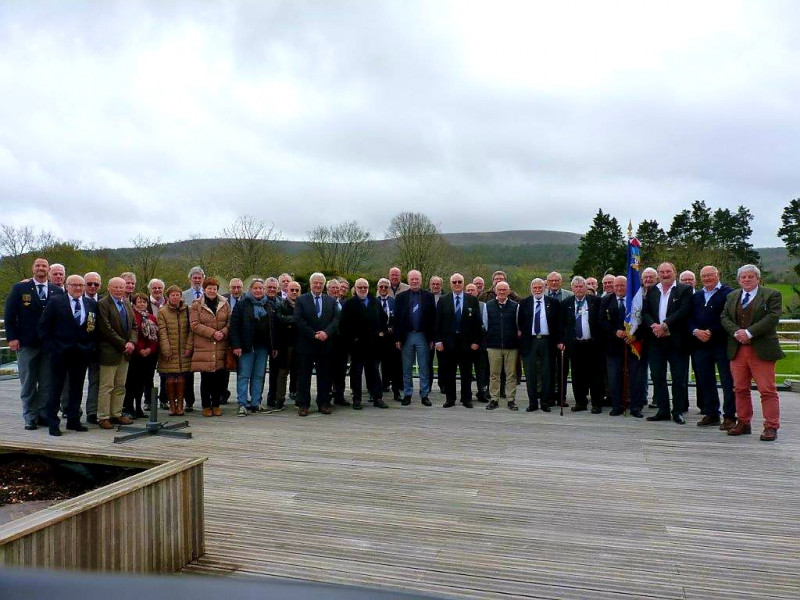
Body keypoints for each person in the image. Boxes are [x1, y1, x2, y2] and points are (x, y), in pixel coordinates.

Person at [721, 265, 784, 441]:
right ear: (739, 280)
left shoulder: (771, 294)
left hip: (761, 349)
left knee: (767, 390)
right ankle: (743, 422)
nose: (747, 280)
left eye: (750, 277)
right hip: (738, 348)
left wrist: (749, 333)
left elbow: (772, 317)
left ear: (758, 278)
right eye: (743, 277)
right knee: (740, 388)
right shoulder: (732, 296)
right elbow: (724, 317)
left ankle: (771, 426)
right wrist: (737, 333)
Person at [4, 257, 64, 430]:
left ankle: (43, 414)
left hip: (49, 345)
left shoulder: (56, 291)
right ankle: (30, 416)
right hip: (26, 343)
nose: (41, 268)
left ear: (49, 270)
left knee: (46, 382)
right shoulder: (20, 288)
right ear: (33, 268)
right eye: (38, 265)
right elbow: (10, 315)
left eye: (44, 265)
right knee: (28, 382)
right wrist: (12, 338)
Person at [37, 274, 97, 435]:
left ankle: (73, 420)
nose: (78, 288)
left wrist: (90, 346)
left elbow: (93, 328)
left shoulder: (90, 303)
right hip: (60, 351)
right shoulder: (56, 302)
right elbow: (43, 327)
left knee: (77, 388)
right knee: (56, 388)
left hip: (81, 352)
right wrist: (52, 347)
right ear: (67, 286)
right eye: (74, 285)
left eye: (81, 285)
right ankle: (53, 423)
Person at [642, 262, 693, 424]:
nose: (665, 274)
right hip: (656, 340)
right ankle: (663, 410)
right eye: (662, 272)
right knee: (657, 377)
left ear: (674, 272)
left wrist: (665, 325)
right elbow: (645, 312)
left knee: (679, 378)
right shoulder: (652, 290)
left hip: (676, 340)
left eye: (668, 271)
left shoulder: (684, 290)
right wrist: (654, 326)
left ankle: (677, 411)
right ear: (658, 274)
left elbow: (684, 311)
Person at [690, 266, 736, 429]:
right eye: (704, 276)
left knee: (727, 381)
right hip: (700, 345)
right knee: (705, 380)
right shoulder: (697, 296)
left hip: (721, 344)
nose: (707, 278)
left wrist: (711, 331)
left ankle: (730, 416)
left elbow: (729, 317)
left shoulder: (729, 293)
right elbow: (689, 318)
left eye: (711, 275)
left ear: (718, 275)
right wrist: (695, 331)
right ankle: (711, 413)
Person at [599, 276, 647, 418]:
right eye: (617, 286)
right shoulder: (606, 300)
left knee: (636, 377)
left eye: (622, 285)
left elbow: (645, 321)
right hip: (613, 345)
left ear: (629, 285)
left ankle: (636, 407)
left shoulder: (638, 300)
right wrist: (615, 331)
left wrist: (635, 335)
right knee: (614, 377)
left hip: (633, 344)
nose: (619, 288)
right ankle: (617, 405)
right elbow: (601, 320)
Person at [294, 273, 340, 416]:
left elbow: (336, 319)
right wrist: (313, 334)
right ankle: (303, 405)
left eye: (321, 283)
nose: (318, 285)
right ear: (310, 284)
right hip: (307, 344)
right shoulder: (301, 300)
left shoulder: (331, 301)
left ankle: (324, 403)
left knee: (324, 376)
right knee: (304, 376)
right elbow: (298, 320)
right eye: (315, 283)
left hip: (325, 344)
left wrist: (326, 333)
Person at [339, 278, 388, 409]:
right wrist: (352, 339)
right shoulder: (349, 304)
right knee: (356, 372)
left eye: (365, 287)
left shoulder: (375, 302)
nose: (362, 289)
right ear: (355, 289)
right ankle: (357, 399)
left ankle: (377, 397)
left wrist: (382, 333)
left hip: (373, 344)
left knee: (374, 372)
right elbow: (343, 325)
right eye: (360, 287)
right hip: (357, 346)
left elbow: (384, 319)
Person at [230, 278, 276, 416]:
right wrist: (236, 345)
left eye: (261, 288)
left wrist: (274, 346)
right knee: (244, 375)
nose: (258, 290)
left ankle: (256, 402)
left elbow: (273, 327)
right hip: (246, 346)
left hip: (263, 347)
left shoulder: (269, 305)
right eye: (255, 288)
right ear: (250, 290)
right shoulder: (242, 304)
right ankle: (242, 404)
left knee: (258, 375)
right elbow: (234, 326)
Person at [435, 273, 482, 408]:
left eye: (459, 282)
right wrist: (438, 341)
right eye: (454, 282)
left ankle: (466, 399)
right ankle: (450, 399)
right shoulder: (443, 300)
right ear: (450, 284)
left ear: (463, 283)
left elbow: (477, 323)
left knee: (466, 372)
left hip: (466, 343)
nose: (457, 284)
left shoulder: (472, 300)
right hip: (448, 343)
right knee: (449, 372)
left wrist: (476, 341)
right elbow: (438, 323)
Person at [559, 276, 605, 413]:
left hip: (592, 344)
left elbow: (601, 322)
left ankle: (597, 403)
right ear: (572, 288)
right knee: (577, 375)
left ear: (586, 288)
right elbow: (561, 325)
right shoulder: (566, 303)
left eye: (581, 286)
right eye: (576, 287)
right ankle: (581, 402)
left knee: (596, 375)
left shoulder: (596, 302)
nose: (579, 289)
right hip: (575, 345)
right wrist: (561, 341)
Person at [96, 277, 136, 429]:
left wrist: (132, 342)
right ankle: (104, 417)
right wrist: (123, 343)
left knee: (120, 385)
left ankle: (116, 413)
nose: (119, 290)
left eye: (122, 287)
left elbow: (134, 325)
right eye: (116, 287)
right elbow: (106, 328)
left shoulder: (126, 303)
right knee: (107, 386)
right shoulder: (103, 304)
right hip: (109, 351)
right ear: (109, 287)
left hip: (125, 352)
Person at [189, 277, 231, 418]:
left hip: (220, 345)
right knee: (206, 378)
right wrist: (213, 333)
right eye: (209, 288)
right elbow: (194, 325)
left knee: (219, 377)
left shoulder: (224, 304)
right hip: (204, 346)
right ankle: (206, 405)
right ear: (204, 289)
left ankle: (217, 404)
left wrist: (223, 332)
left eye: (214, 288)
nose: (212, 291)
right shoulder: (196, 305)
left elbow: (230, 322)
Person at [393, 270, 436, 406]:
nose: (414, 281)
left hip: (423, 335)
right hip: (407, 336)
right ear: (408, 280)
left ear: (421, 280)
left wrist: (432, 339)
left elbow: (433, 318)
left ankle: (424, 395)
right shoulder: (401, 297)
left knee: (424, 367)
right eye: (412, 279)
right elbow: (397, 320)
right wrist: (397, 338)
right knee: (406, 368)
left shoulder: (428, 296)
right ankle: (407, 394)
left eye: (417, 279)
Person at [518, 278, 561, 412]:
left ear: (544, 288)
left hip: (547, 341)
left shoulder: (553, 303)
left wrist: (559, 341)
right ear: (531, 289)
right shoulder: (524, 303)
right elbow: (520, 322)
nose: (537, 290)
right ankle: (532, 402)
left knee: (546, 372)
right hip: (530, 341)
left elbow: (558, 325)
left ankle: (545, 402)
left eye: (540, 288)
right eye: (535, 288)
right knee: (530, 373)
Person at [484, 281, 520, 411]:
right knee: (494, 374)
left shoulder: (516, 306)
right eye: (499, 290)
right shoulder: (487, 306)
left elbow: (518, 325)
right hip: (493, 345)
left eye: (504, 290)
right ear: (495, 291)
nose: (502, 292)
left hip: (511, 346)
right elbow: (485, 325)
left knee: (511, 374)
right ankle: (494, 399)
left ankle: (511, 400)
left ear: (509, 291)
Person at [157, 285, 192, 416]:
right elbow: (162, 331)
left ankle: (180, 404)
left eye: (178, 295)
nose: (175, 297)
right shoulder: (162, 312)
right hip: (169, 350)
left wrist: (189, 346)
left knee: (182, 378)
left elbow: (191, 330)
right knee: (170, 378)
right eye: (173, 295)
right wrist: (166, 349)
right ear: (168, 297)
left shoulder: (187, 310)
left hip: (183, 349)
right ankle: (172, 404)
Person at [122, 293, 159, 419]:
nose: (142, 304)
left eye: (144, 302)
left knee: (142, 383)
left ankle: (138, 407)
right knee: (131, 383)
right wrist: (140, 349)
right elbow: (131, 334)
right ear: (134, 303)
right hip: (134, 354)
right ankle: (128, 407)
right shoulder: (131, 316)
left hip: (148, 356)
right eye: (139, 302)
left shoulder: (152, 318)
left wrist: (149, 349)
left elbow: (155, 338)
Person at [182, 266, 205, 412]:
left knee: (205, 371)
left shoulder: (210, 294)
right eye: (194, 278)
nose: (197, 280)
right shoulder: (183, 295)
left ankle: (206, 401)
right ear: (190, 279)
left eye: (199, 278)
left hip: (205, 338)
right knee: (188, 372)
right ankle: (189, 401)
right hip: (188, 337)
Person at [376, 278, 402, 401]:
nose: (383, 289)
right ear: (377, 288)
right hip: (377, 338)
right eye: (381, 287)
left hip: (391, 339)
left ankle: (396, 392)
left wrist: (392, 328)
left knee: (394, 366)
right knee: (375, 366)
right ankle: (375, 392)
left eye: (386, 287)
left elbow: (398, 319)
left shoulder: (394, 302)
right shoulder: (373, 302)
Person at [276, 280, 301, 407]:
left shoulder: (303, 304)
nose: (294, 292)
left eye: (297, 290)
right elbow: (279, 320)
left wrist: (290, 322)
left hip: (300, 343)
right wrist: (295, 320)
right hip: (285, 343)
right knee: (283, 372)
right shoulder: (281, 304)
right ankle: (280, 399)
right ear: (287, 290)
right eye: (292, 290)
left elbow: (305, 321)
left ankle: (298, 397)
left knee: (298, 371)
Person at [82, 271, 102, 423]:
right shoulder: (76, 299)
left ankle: (92, 412)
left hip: (97, 349)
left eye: (96, 284)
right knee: (74, 381)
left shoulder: (103, 301)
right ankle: (70, 410)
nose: (93, 286)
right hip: (78, 348)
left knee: (95, 381)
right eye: (89, 283)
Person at [326, 278, 349, 407]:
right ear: (327, 289)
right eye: (332, 288)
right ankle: (327, 396)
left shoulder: (344, 304)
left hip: (342, 343)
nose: (335, 290)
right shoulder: (324, 303)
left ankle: (339, 395)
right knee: (328, 371)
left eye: (337, 288)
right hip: (329, 342)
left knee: (341, 370)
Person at [221, 277, 245, 404]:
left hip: (243, 341)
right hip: (225, 340)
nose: (236, 290)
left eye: (238, 287)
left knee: (242, 370)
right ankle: (223, 394)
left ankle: (242, 396)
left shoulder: (247, 299)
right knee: (224, 370)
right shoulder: (222, 299)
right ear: (229, 288)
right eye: (233, 287)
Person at [466, 283, 489, 403]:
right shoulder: (462, 304)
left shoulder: (483, 305)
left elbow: (485, 325)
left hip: (480, 343)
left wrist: (477, 341)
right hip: (465, 344)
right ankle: (467, 393)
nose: (470, 292)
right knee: (467, 371)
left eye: (472, 290)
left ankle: (481, 392)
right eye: (468, 290)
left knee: (481, 371)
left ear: (477, 292)